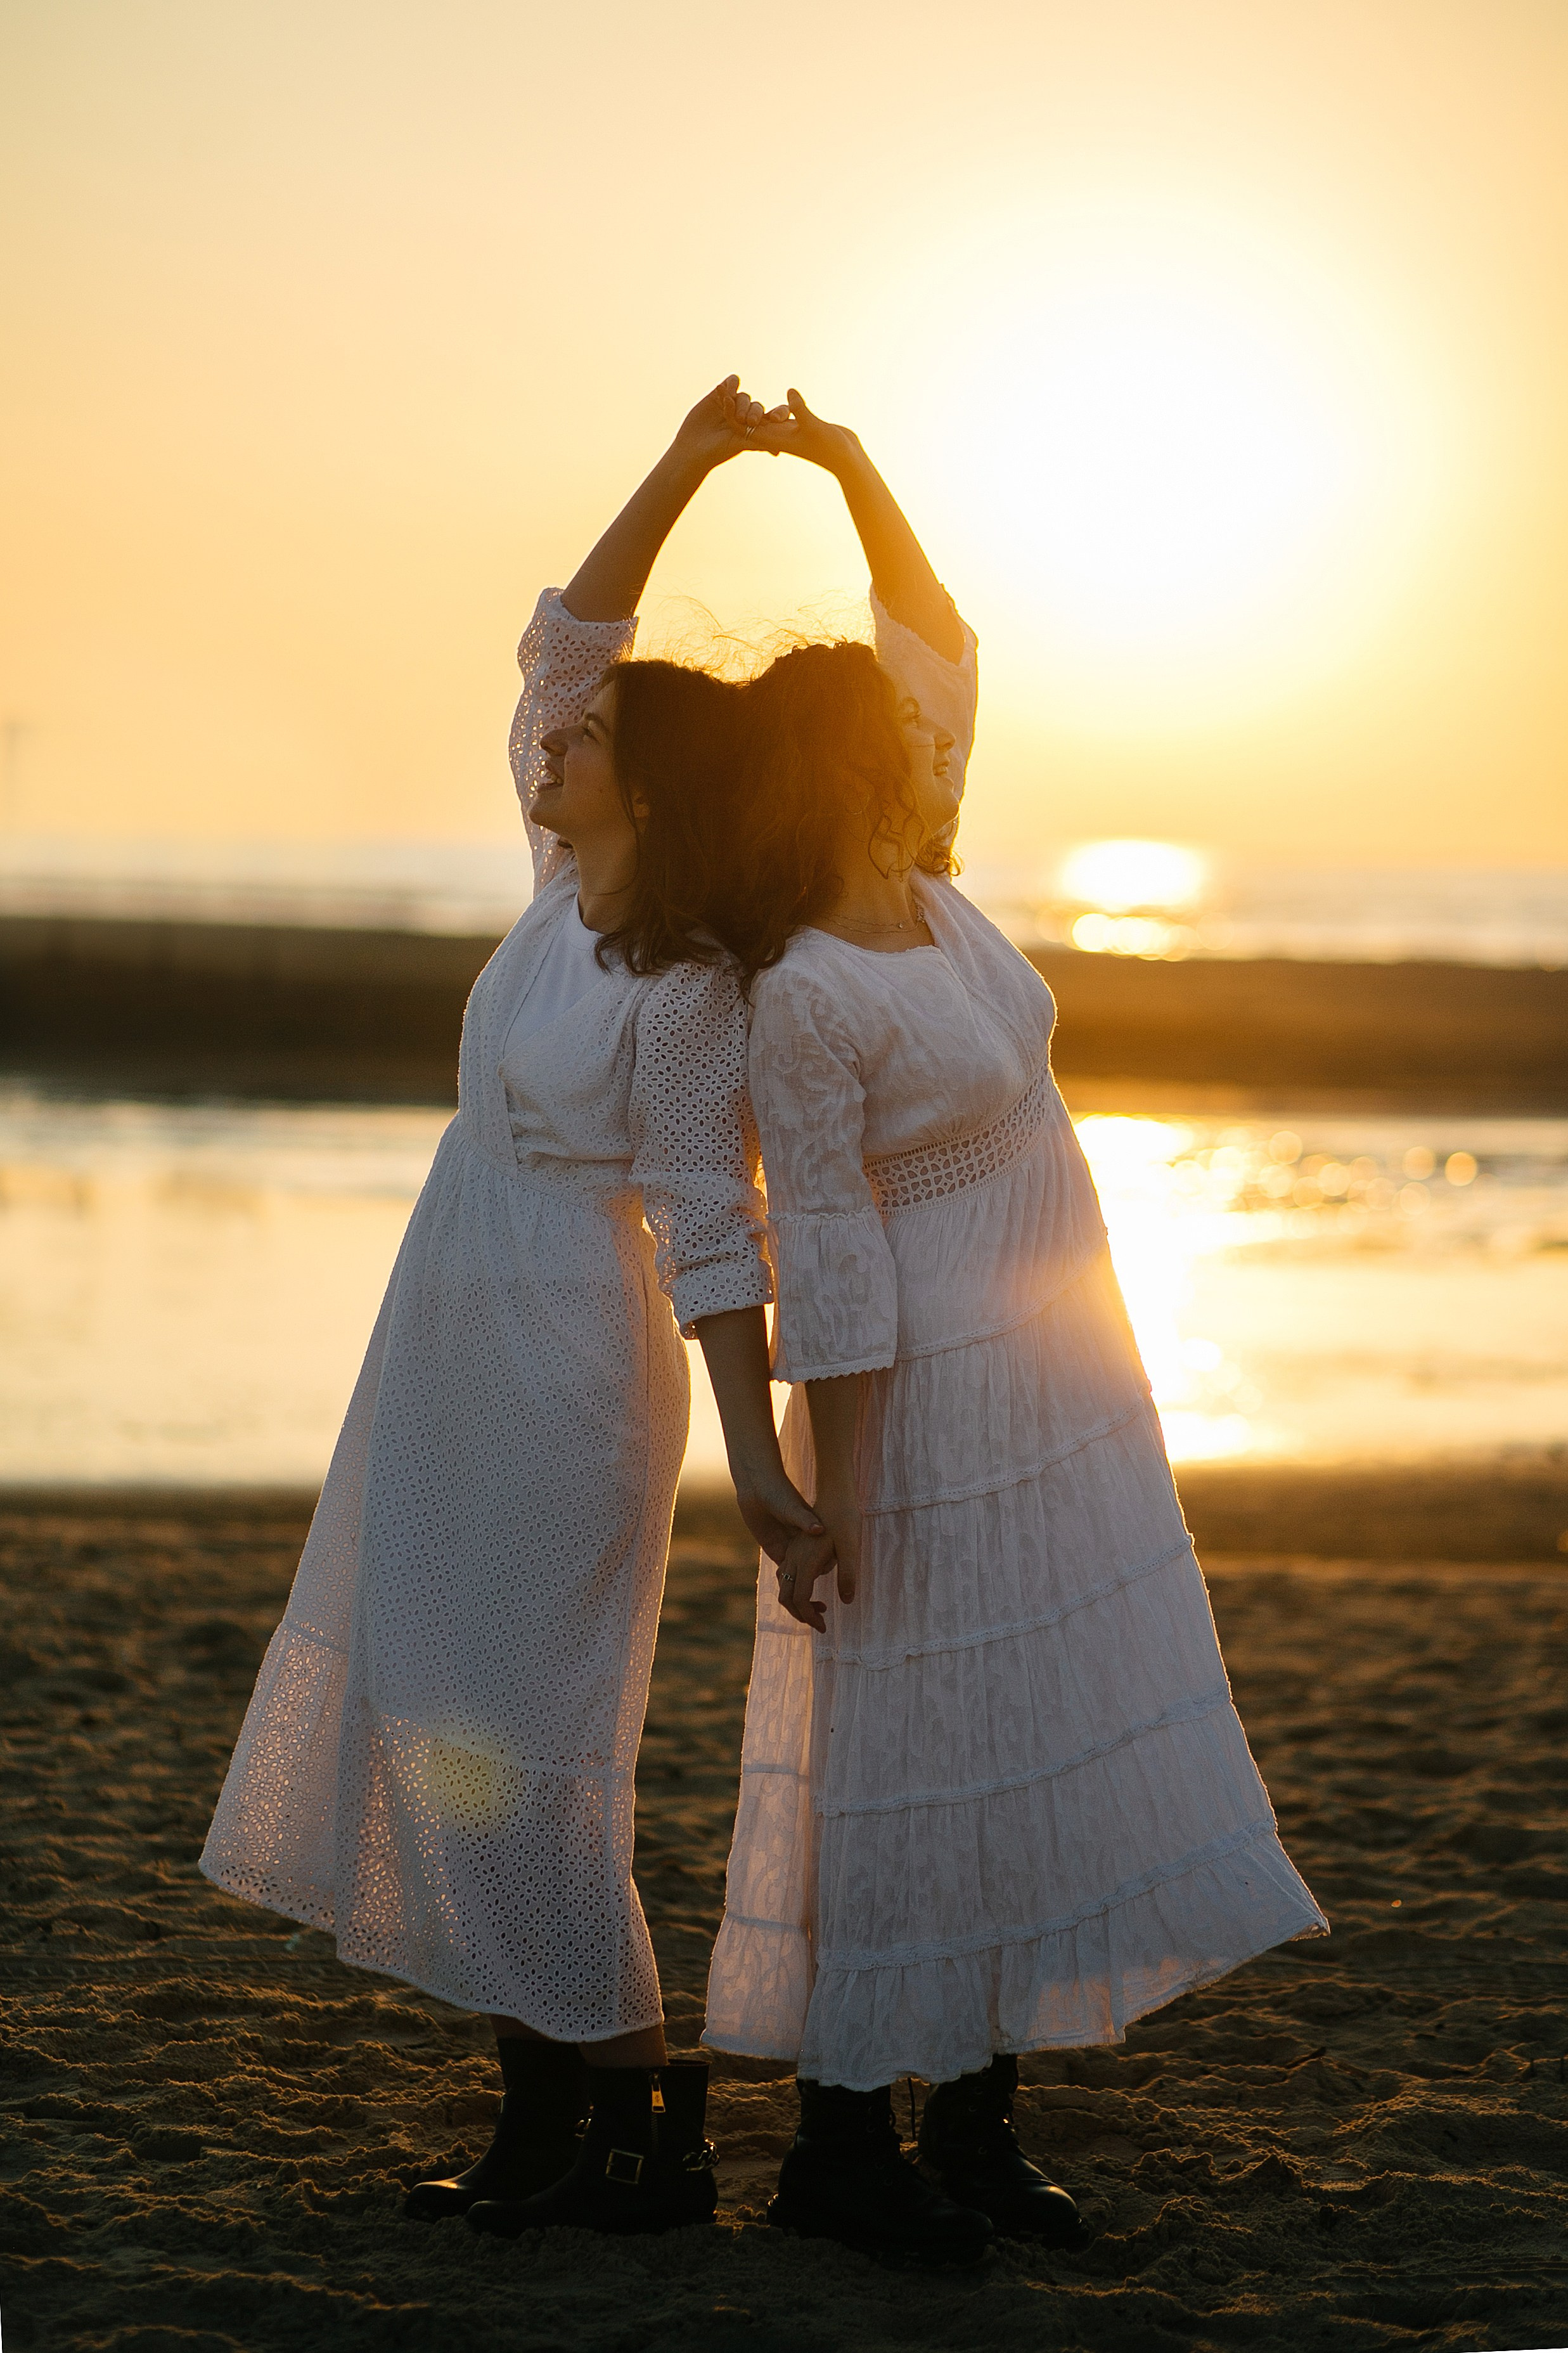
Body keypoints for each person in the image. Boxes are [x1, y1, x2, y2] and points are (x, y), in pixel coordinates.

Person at [702, 391, 1328, 2266]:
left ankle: (973, 2126)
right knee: (908, 1757)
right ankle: (837, 2148)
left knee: (1025, 1733)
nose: (921, 738)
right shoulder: (804, 989)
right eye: (881, 740)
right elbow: (828, 1257)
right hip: (928, 1425)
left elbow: (941, 644)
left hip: (1057, 1402)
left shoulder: (934, 896)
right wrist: (838, 1496)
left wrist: (844, 471)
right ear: (836, 775)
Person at [201, 378, 829, 2241]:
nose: (548, 742)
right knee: (450, 1722)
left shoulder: (695, 982)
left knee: (526, 1745)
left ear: (647, 783)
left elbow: (714, 1235)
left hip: (569, 1352)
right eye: (553, 738)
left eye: (585, 741)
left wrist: (752, 1470)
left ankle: (623, 2125)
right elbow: (567, 637)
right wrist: (690, 464)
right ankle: (570, 2127)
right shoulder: (556, 896)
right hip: (450, 1326)